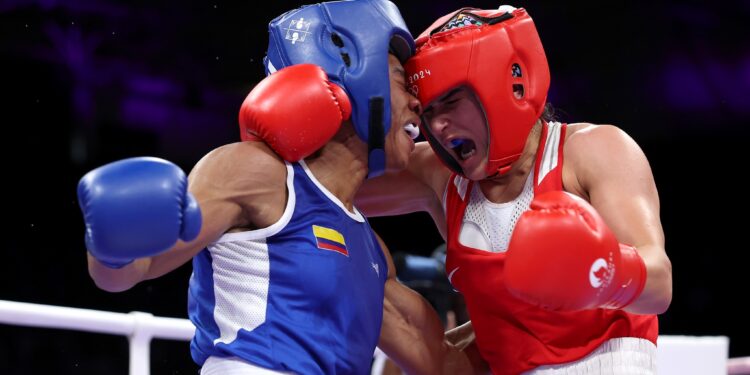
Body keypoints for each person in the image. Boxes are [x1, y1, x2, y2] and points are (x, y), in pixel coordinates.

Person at [77, 1, 486, 374]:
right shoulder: (258, 173)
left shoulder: (371, 252)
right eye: (401, 81)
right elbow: (131, 271)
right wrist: (108, 246)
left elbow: (444, 364)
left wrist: (534, 315)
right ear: (354, 76)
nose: (418, 103)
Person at [356, 5, 673, 374]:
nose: (439, 125)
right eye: (428, 112)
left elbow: (660, 284)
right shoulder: (440, 177)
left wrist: (601, 272)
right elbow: (330, 185)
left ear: (512, 83)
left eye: (452, 102)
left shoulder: (593, 150)